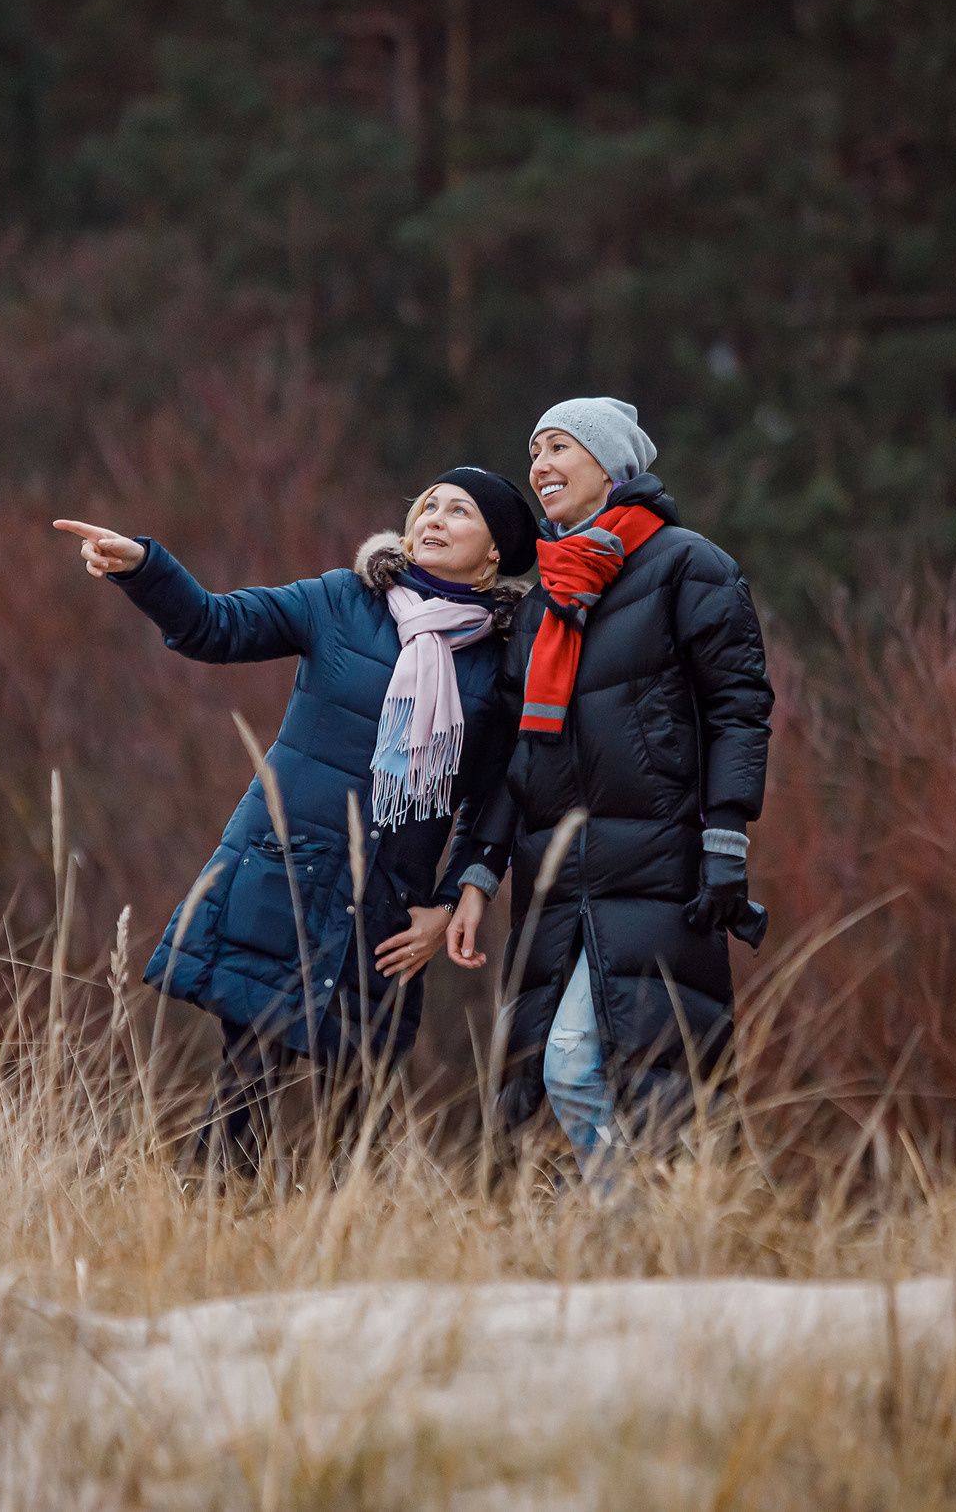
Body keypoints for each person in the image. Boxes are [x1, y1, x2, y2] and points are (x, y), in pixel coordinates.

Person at [54, 470, 537, 1177]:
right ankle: (210, 1234)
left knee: (357, 1107)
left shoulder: (498, 664)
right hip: (289, 870)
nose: (433, 516)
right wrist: (146, 568)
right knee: (246, 1075)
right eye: (427, 504)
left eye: (458, 511)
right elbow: (214, 625)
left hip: (388, 907)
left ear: (494, 552)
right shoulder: (344, 601)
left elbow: (491, 796)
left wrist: (449, 901)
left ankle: (330, 1265)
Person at [445, 398, 771, 1181]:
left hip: (659, 868)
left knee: (589, 1067)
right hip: (556, 881)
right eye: (534, 449)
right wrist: (479, 872)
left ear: (612, 464)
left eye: (560, 445)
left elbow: (740, 706)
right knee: (571, 1086)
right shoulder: (542, 604)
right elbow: (519, 758)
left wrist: (727, 831)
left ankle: (646, 1230)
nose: (541, 465)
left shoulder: (688, 565)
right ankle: (658, 1237)